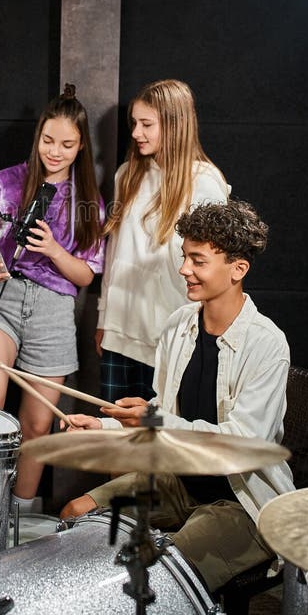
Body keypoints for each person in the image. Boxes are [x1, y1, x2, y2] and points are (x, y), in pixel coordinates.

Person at [60, 199, 295, 595]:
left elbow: (241, 445)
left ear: (238, 269)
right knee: (74, 515)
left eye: (198, 260)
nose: (184, 269)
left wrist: (157, 422)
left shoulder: (268, 345)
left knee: (162, 579)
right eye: (184, 256)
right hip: (177, 481)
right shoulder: (179, 325)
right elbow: (162, 415)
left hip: (240, 500)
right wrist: (103, 425)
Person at [0, 84, 105, 514]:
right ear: (37, 136)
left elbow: (86, 274)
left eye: (66, 144)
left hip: (54, 309)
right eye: (48, 141)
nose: (55, 152)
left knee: (38, 423)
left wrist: (54, 250)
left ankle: (19, 516)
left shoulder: (88, 202)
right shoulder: (4, 184)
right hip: (0, 299)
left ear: (81, 146)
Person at [96, 78, 229, 402]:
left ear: (175, 125)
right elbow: (113, 254)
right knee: (119, 440)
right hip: (120, 334)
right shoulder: (127, 174)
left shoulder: (205, 183)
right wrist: (103, 318)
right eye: (134, 123)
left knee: (160, 441)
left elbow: (214, 269)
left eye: (146, 124)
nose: (135, 133)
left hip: (171, 338)